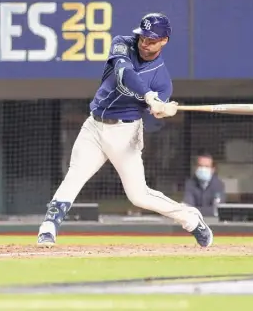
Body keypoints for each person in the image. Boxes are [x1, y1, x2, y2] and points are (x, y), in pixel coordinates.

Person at [37, 13, 213, 248]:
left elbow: (156, 116)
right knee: (75, 175)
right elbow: (122, 73)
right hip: (94, 125)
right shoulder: (123, 42)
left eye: (152, 40)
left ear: (164, 41)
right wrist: (147, 95)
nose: (144, 43)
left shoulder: (162, 81)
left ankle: (190, 219)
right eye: (143, 37)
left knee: (138, 196)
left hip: (125, 134)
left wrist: (163, 109)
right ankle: (49, 226)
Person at [183, 152, 226, 217]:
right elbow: (188, 208)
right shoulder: (190, 184)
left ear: (213, 169)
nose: (203, 169)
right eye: (200, 166)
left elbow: (217, 210)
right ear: (196, 167)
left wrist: (195, 210)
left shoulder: (219, 185)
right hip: (195, 222)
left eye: (206, 166)